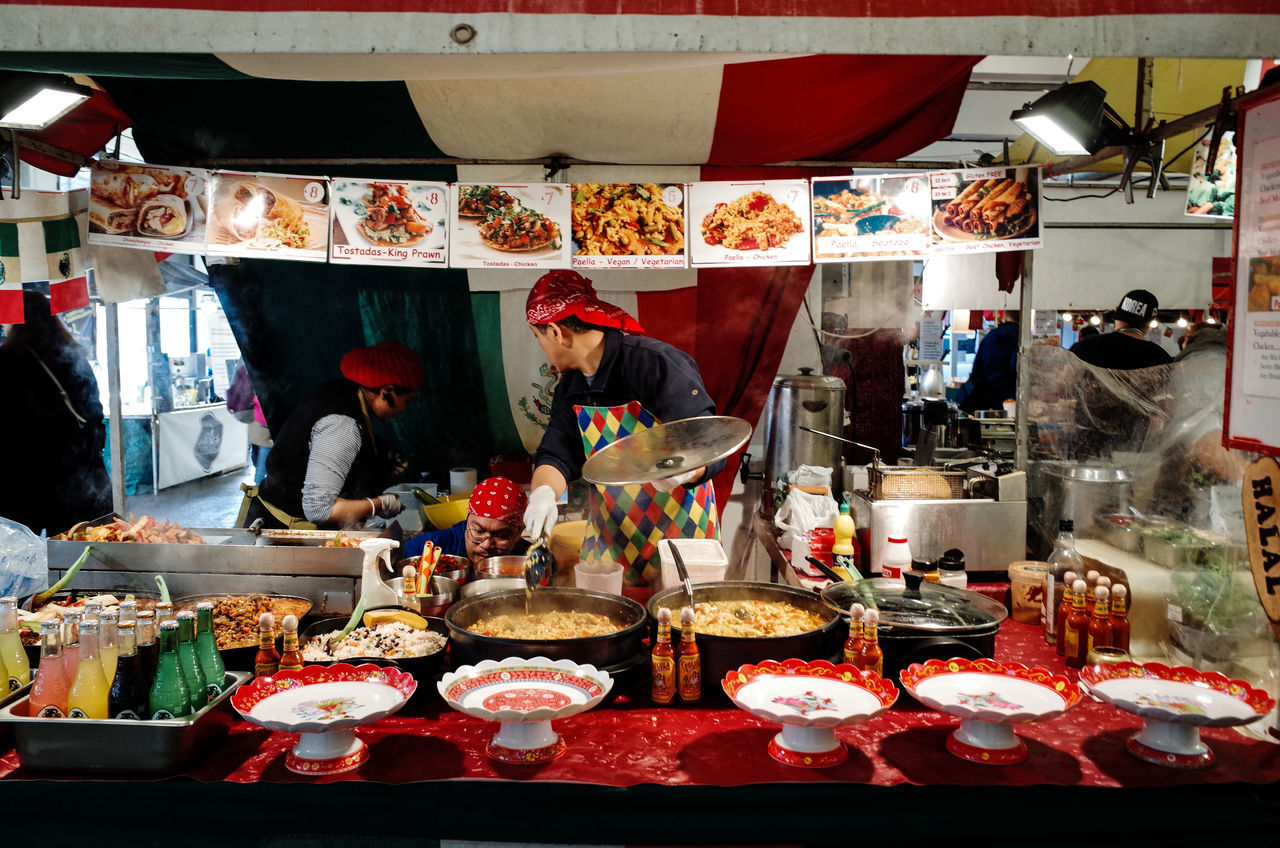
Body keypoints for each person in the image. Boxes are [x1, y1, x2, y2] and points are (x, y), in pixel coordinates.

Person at [520, 270, 724, 589]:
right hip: (613, 536)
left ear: (555, 331)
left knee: (680, 627)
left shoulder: (654, 363)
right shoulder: (570, 388)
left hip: (681, 533)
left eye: (537, 337)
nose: (541, 347)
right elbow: (557, 453)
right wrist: (543, 493)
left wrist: (685, 470)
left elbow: (710, 442)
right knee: (606, 625)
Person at [241, 342, 421, 530]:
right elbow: (319, 510)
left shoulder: (342, 392)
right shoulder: (343, 424)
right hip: (281, 530)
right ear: (387, 392)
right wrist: (377, 505)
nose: (403, 409)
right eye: (406, 401)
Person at [0, 289, 111, 536]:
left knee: (20, 558)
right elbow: (94, 412)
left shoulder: (7, 362)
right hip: (78, 477)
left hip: (22, 480)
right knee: (75, 553)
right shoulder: (74, 356)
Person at [402, 476, 530, 567]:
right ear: (467, 520)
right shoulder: (434, 544)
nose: (486, 545)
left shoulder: (529, 557)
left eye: (500, 536)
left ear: (518, 534)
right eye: (478, 531)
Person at [1068, 289, 1173, 369]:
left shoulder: (1087, 346)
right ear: (1151, 321)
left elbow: (1062, 386)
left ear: (1116, 311)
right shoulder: (1162, 358)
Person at [957, 310, 1019, 414]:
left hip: (986, 402)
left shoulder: (989, 337)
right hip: (1011, 401)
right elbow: (1016, 368)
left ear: (1005, 316)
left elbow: (976, 372)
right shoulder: (1021, 339)